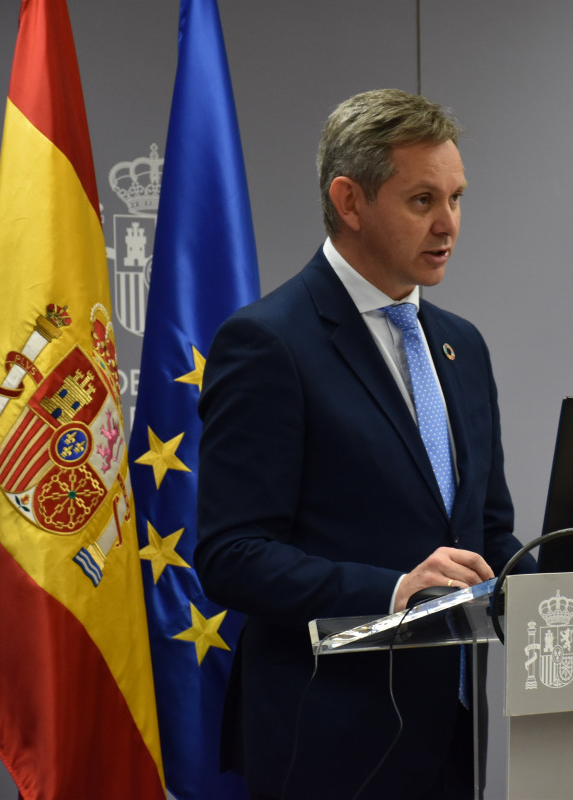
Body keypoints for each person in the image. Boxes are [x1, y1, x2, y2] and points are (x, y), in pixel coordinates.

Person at [195, 88, 534, 800]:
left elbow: (486, 533)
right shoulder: (268, 343)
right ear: (349, 202)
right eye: (421, 201)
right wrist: (392, 590)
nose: (449, 224)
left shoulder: (460, 346)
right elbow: (232, 555)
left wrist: (563, 581)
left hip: (450, 734)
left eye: (457, 197)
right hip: (324, 741)